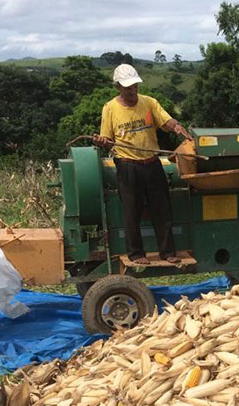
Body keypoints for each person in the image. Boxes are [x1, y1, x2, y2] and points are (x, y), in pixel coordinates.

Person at [93, 64, 192, 264]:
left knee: (162, 209)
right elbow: (106, 138)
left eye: (135, 86)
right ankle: (136, 254)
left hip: (152, 163)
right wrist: (101, 141)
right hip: (127, 165)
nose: (133, 91)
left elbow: (165, 121)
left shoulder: (149, 103)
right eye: (128, 88)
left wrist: (176, 126)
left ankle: (167, 252)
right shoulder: (110, 108)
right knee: (131, 211)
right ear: (118, 87)